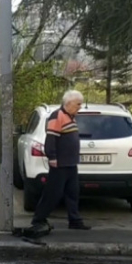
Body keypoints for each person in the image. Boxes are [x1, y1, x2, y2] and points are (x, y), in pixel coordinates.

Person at [29, 90, 90, 233]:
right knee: (53, 193)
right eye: (78, 104)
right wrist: (52, 157)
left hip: (71, 163)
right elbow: (51, 138)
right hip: (60, 163)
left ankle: (75, 220)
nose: (80, 107)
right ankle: (39, 219)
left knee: (73, 192)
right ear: (69, 103)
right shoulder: (57, 116)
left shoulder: (70, 117)